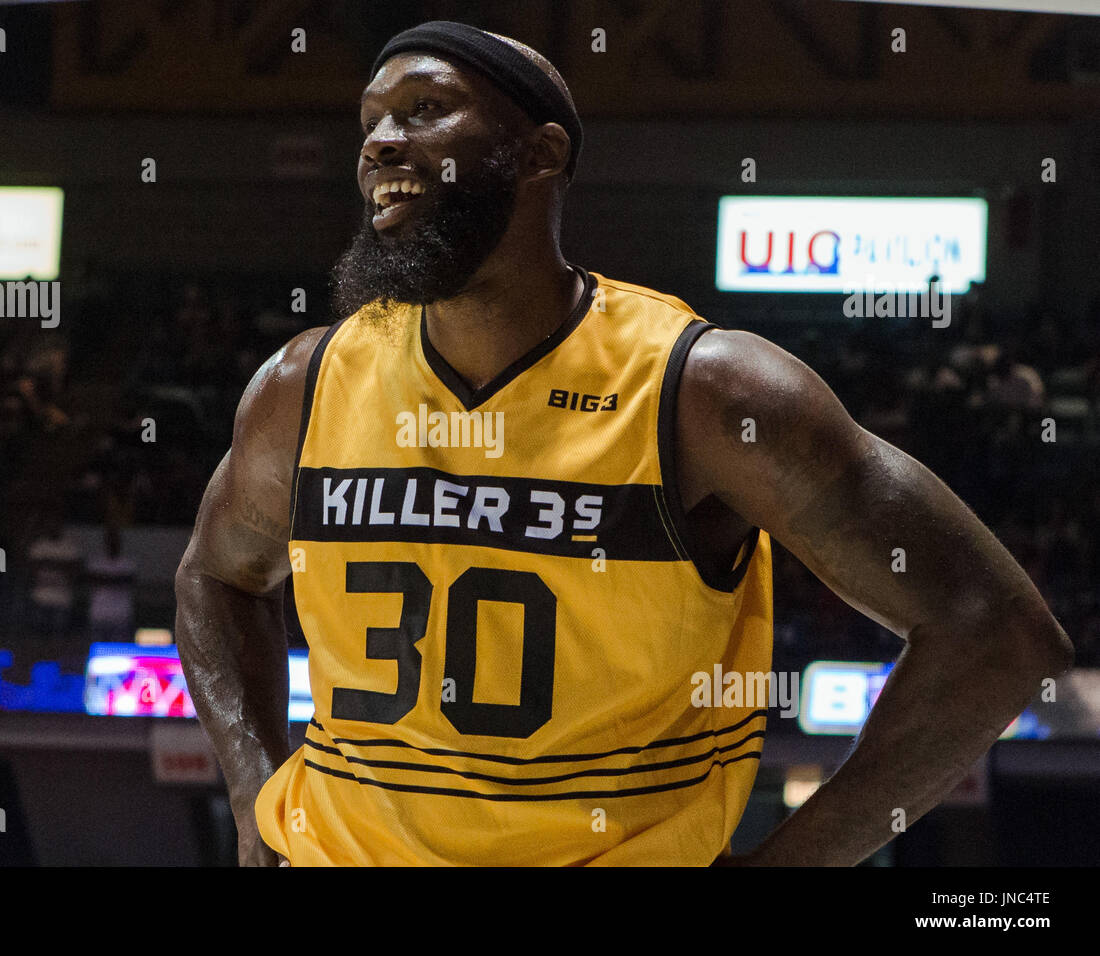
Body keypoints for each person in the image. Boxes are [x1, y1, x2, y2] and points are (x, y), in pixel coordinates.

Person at [175, 21, 1072, 866]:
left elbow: (995, 634)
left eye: (423, 110)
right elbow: (213, 579)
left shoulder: (707, 393)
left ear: (541, 153)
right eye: (370, 121)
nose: (378, 143)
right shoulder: (305, 385)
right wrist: (257, 798)